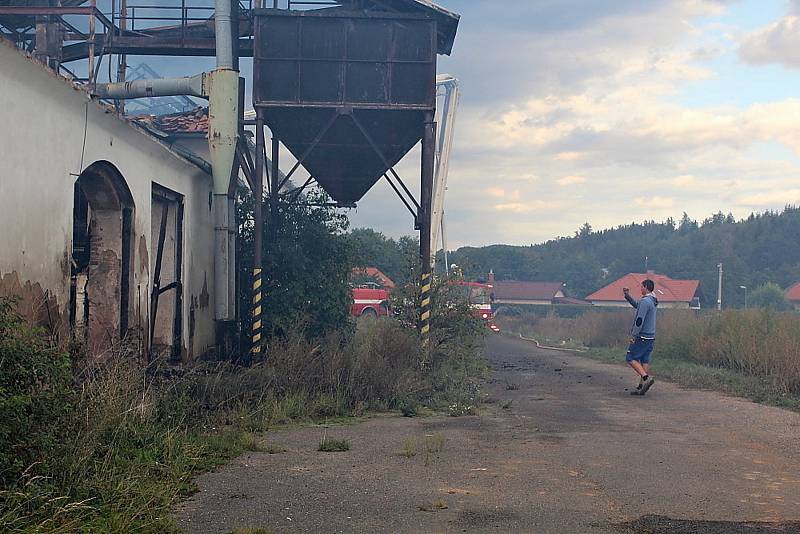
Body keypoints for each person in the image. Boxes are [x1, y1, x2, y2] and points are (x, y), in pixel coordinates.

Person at [623, 279, 658, 396]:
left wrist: (634, 335)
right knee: (644, 360)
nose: (640, 288)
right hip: (651, 336)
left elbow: (639, 320)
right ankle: (641, 386)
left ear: (646, 287)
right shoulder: (652, 300)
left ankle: (645, 378)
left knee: (630, 357)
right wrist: (627, 296)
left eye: (641, 287)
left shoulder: (645, 301)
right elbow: (637, 305)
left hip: (642, 335)